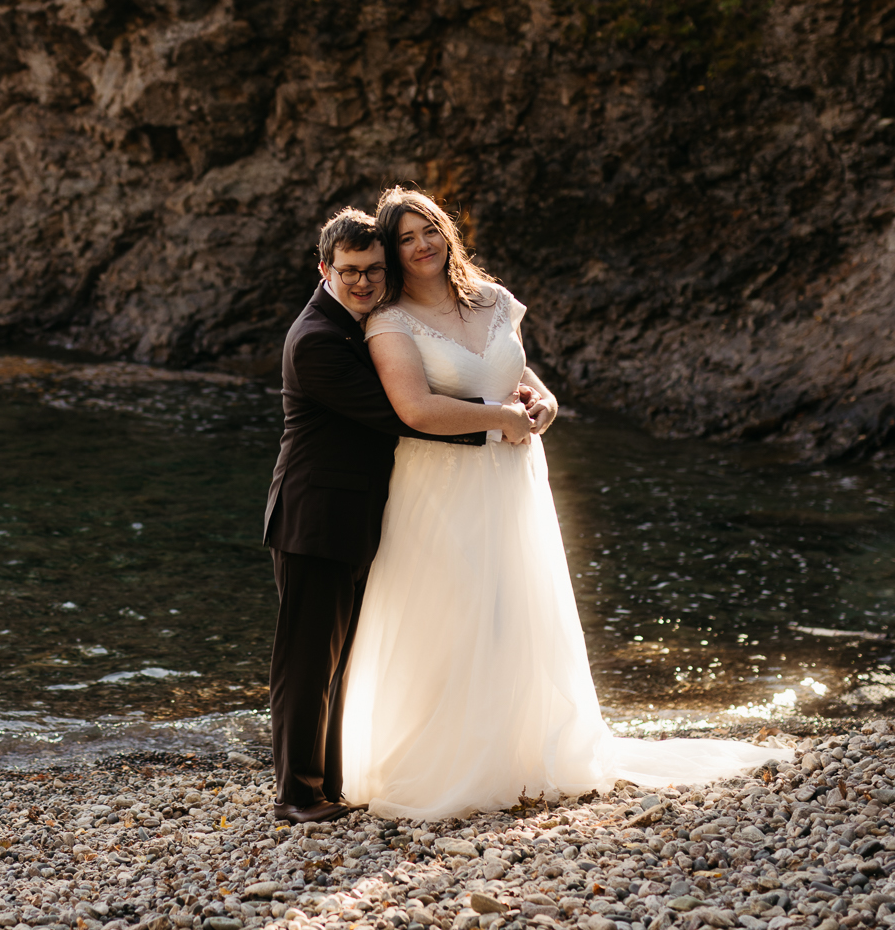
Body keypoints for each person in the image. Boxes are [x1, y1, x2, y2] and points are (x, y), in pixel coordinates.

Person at [339, 187, 788, 820]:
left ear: (448, 233)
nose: (421, 246)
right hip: (440, 481)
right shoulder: (389, 320)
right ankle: (443, 760)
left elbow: (514, 373)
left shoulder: (493, 300)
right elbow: (415, 409)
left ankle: (520, 751)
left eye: (430, 231)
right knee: (448, 608)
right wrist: (503, 418)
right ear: (391, 247)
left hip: (513, 476)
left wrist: (544, 402)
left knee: (514, 605)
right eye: (406, 237)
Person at [263, 207, 534, 824]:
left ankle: (326, 782)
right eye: (352, 271)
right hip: (315, 516)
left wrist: (515, 388)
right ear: (324, 268)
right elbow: (399, 412)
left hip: (356, 514)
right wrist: (495, 419)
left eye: (373, 271)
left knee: (340, 656)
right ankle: (297, 795)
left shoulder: (356, 321)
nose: (364, 282)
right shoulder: (317, 341)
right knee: (306, 663)